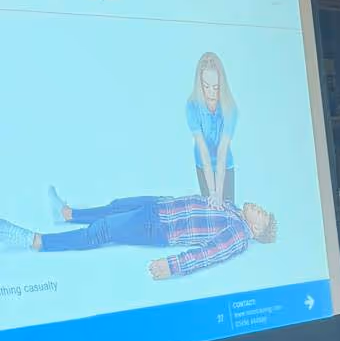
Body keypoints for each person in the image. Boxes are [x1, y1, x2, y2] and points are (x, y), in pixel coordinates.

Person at [0, 193, 277, 279]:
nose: (259, 208)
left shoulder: (238, 233)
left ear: (255, 230)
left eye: (262, 214)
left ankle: (36, 241)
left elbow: (208, 254)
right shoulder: (232, 209)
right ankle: (69, 214)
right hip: (161, 207)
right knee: (117, 206)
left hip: (159, 227)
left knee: (103, 230)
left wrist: (173, 266)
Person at [187, 52, 238, 207]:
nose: (211, 93)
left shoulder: (230, 109)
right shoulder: (192, 106)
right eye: (206, 86)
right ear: (200, 84)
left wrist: (219, 193)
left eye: (216, 87)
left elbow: (222, 152)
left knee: (226, 208)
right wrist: (212, 192)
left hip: (225, 167)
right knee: (209, 207)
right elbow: (203, 151)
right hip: (203, 166)